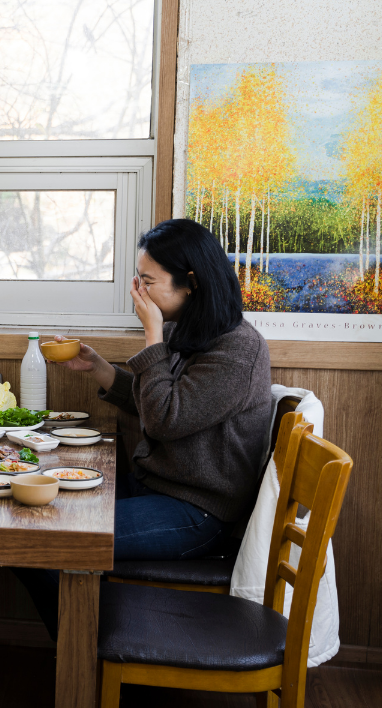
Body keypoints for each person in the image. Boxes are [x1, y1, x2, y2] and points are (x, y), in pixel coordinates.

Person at [15, 218, 273, 640]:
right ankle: (88, 653)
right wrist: (98, 367)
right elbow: (159, 400)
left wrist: (152, 335)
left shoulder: (238, 349)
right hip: (158, 488)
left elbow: (166, 418)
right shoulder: (191, 330)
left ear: (189, 282)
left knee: (45, 544)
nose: (138, 291)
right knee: (36, 520)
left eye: (147, 281)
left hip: (197, 513)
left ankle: (88, 662)